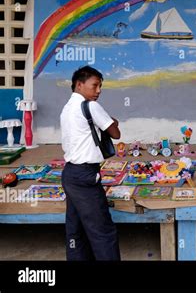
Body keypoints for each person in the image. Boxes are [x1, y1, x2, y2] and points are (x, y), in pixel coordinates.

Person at [60, 66, 121, 260]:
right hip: (86, 176)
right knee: (103, 232)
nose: (98, 91)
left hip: (70, 174)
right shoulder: (91, 107)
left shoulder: (67, 109)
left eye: (100, 86)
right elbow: (115, 133)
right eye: (95, 85)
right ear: (79, 84)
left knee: (75, 230)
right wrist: (111, 120)